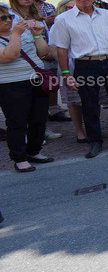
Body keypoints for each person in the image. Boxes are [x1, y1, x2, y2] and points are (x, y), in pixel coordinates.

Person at [49, 0, 108, 158]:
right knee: (90, 105)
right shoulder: (63, 19)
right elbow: (61, 49)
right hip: (85, 64)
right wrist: (66, 74)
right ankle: (95, 141)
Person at [0, 12, 53, 172]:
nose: (8, 20)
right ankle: (19, 158)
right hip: (11, 84)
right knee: (17, 122)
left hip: (36, 80)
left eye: (9, 16)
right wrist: (16, 33)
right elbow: (10, 55)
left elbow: (43, 53)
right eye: (3, 18)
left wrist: (37, 36)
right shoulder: (17, 33)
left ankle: (34, 151)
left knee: (39, 118)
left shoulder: (23, 34)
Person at [53, 0, 87, 142]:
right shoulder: (60, 22)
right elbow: (54, 48)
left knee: (94, 99)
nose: (73, 8)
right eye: (69, 6)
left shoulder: (86, 21)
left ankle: (93, 127)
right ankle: (80, 131)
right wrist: (66, 69)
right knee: (74, 102)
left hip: (88, 65)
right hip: (69, 66)